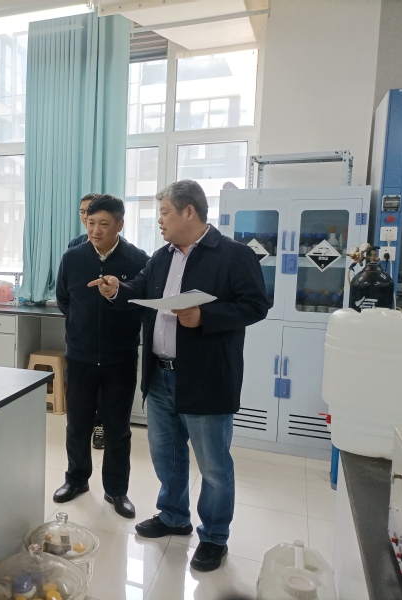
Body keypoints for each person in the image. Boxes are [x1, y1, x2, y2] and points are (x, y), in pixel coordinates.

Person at [92, 180, 268, 572]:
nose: (160, 220)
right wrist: (116, 289)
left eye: (164, 212)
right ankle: (173, 516)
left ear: (189, 211)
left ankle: (215, 536)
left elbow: (256, 306)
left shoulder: (233, 255)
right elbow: (140, 289)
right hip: (160, 376)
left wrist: (206, 315)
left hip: (206, 377)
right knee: (166, 455)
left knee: (213, 466)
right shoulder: (162, 256)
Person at [54, 194, 149, 519]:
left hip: (119, 356)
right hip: (80, 355)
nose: (95, 230)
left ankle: (116, 490)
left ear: (120, 224)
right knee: (77, 424)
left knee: (117, 428)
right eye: (91, 222)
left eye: (104, 224)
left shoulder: (137, 259)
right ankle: (76, 479)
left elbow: (141, 302)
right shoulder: (73, 258)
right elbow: (64, 300)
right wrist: (80, 328)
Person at [67, 192, 105, 451]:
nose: (86, 216)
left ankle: (100, 425)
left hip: (106, 329)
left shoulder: (119, 248)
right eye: (83, 212)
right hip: (80, 330)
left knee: (103, 387)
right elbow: (65, 292)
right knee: (80, 391)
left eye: (90, 211)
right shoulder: (75, 246)